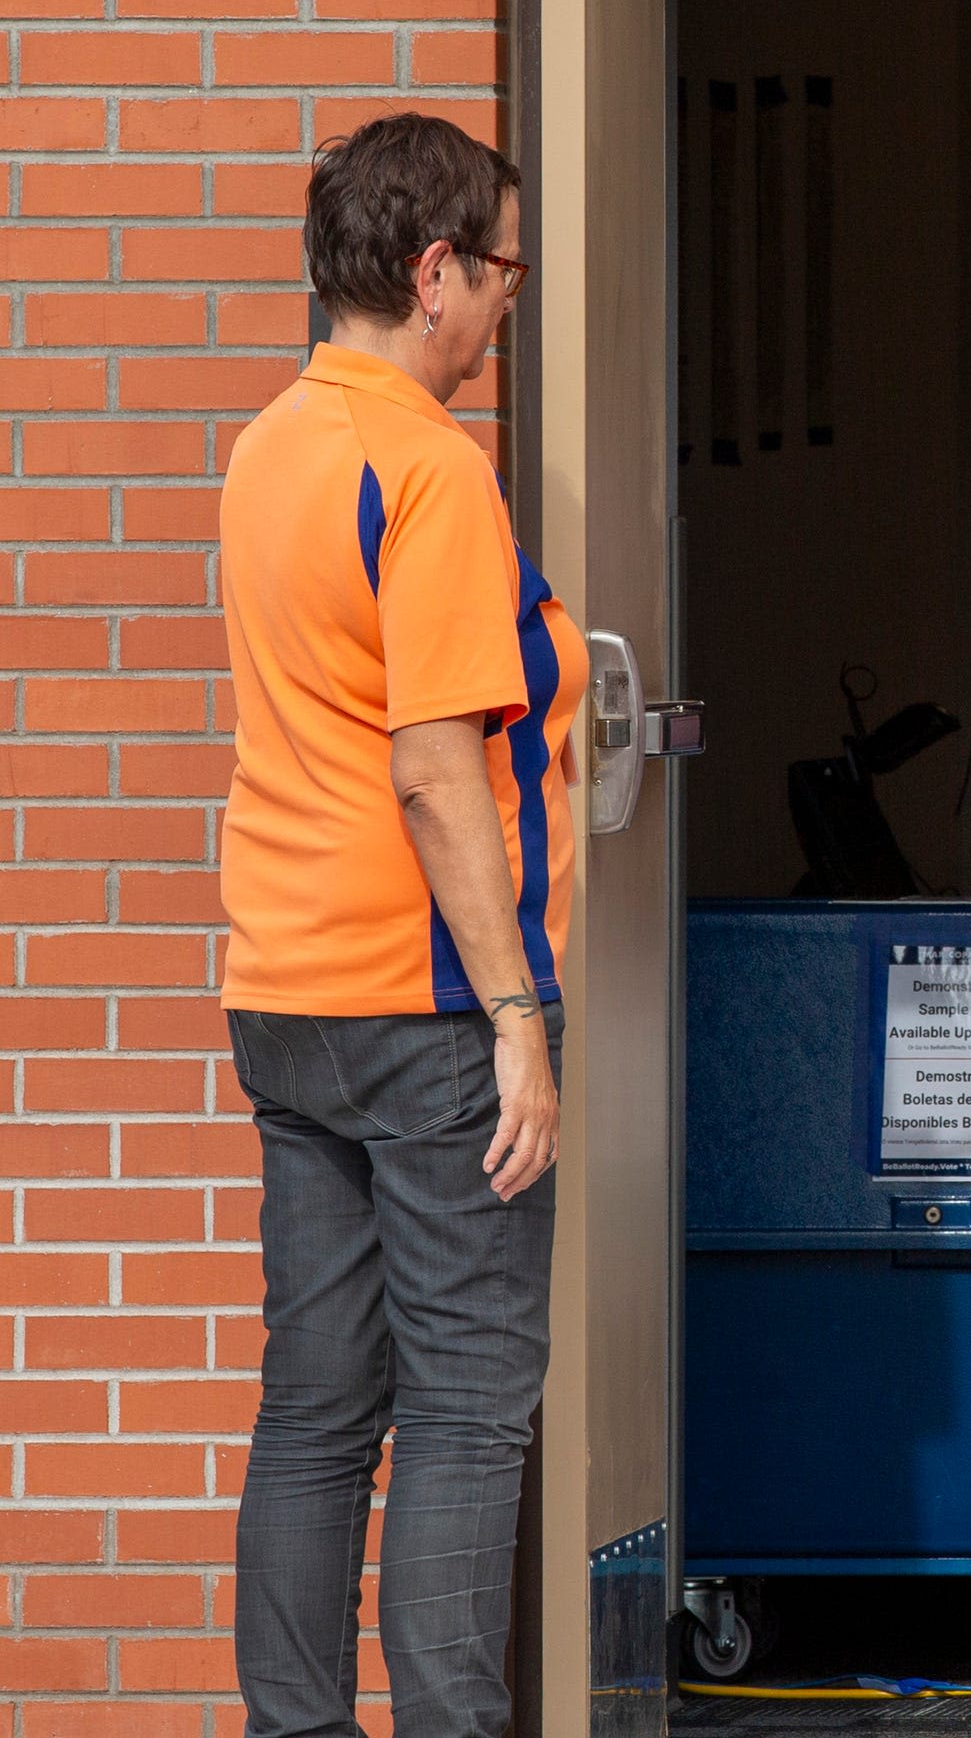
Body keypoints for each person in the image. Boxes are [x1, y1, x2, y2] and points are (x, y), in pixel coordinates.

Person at [218, 112, 571, 1738]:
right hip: (423, 1005)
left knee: (315, 1408)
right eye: (500, 268)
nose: (508, 300)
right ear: (433, 273)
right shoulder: (427, 468)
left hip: (286, 991)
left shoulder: (273, 441)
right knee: (468, 1408)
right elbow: (435, 767)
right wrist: (515, 1015)